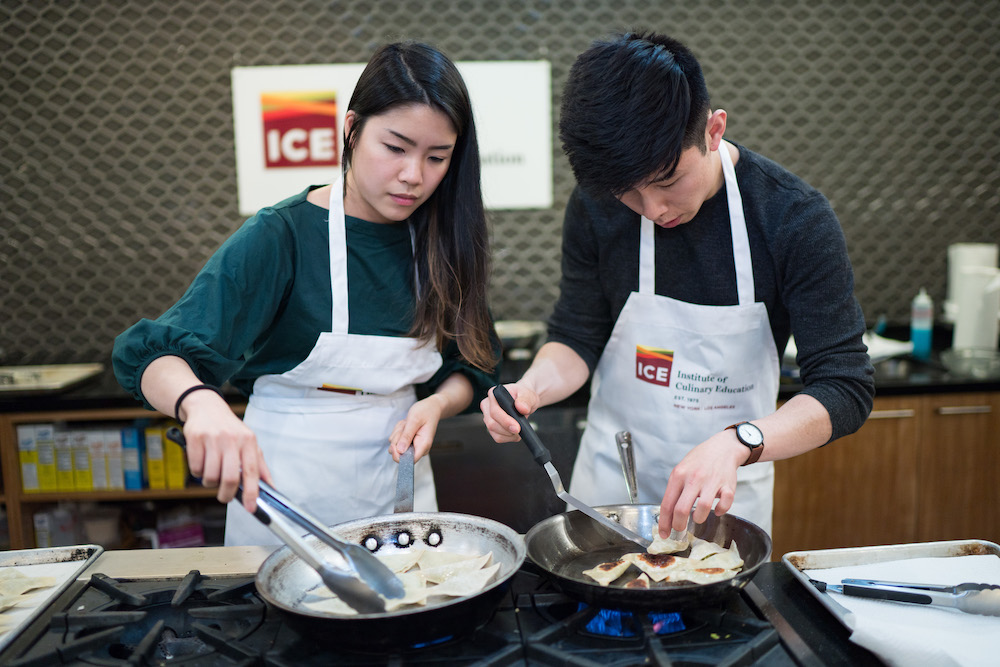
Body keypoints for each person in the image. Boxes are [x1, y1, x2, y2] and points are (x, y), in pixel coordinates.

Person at [481, 31, 874, 538]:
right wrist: (530, 389)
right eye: (630, 194)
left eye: (668, 182)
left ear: (713, 130)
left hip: (725, 494)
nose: (654, 210)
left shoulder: (792, 217)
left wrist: (741, 441)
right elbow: (578, 336)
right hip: (608, 492)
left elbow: (844, 386)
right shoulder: (594, 205)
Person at [113, 41, 500, 546]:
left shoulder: (443, 240)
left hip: (399, 491)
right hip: (286, 496)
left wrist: (436, 406)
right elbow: (150, 355)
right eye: (395, 148)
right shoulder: (283, 235)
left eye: (436, 157)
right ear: (352, 128)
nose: (414, 176)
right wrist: (199, 402)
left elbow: (472, 365)